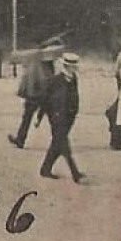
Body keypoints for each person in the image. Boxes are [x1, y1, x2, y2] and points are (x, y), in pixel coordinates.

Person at [39, 53, 86, 183]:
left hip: (69, 117)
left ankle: (45, 168)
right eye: (72, 67)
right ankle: (75, 173)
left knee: (57, 143)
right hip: (57, 117)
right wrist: (40, 116)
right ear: (66, 66)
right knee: (64, 144)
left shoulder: (73, 78)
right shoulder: (55, 80)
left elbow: (74, 96)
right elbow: (45, 100)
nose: (74, 69)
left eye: (74, 66)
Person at [9, 50, 56, 150]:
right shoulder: (45, 56)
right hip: (43, 92)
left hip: (36, 92)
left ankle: (20, 140)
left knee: (28, 117)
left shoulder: (33, 57)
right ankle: (59, 140)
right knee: (51, 118)